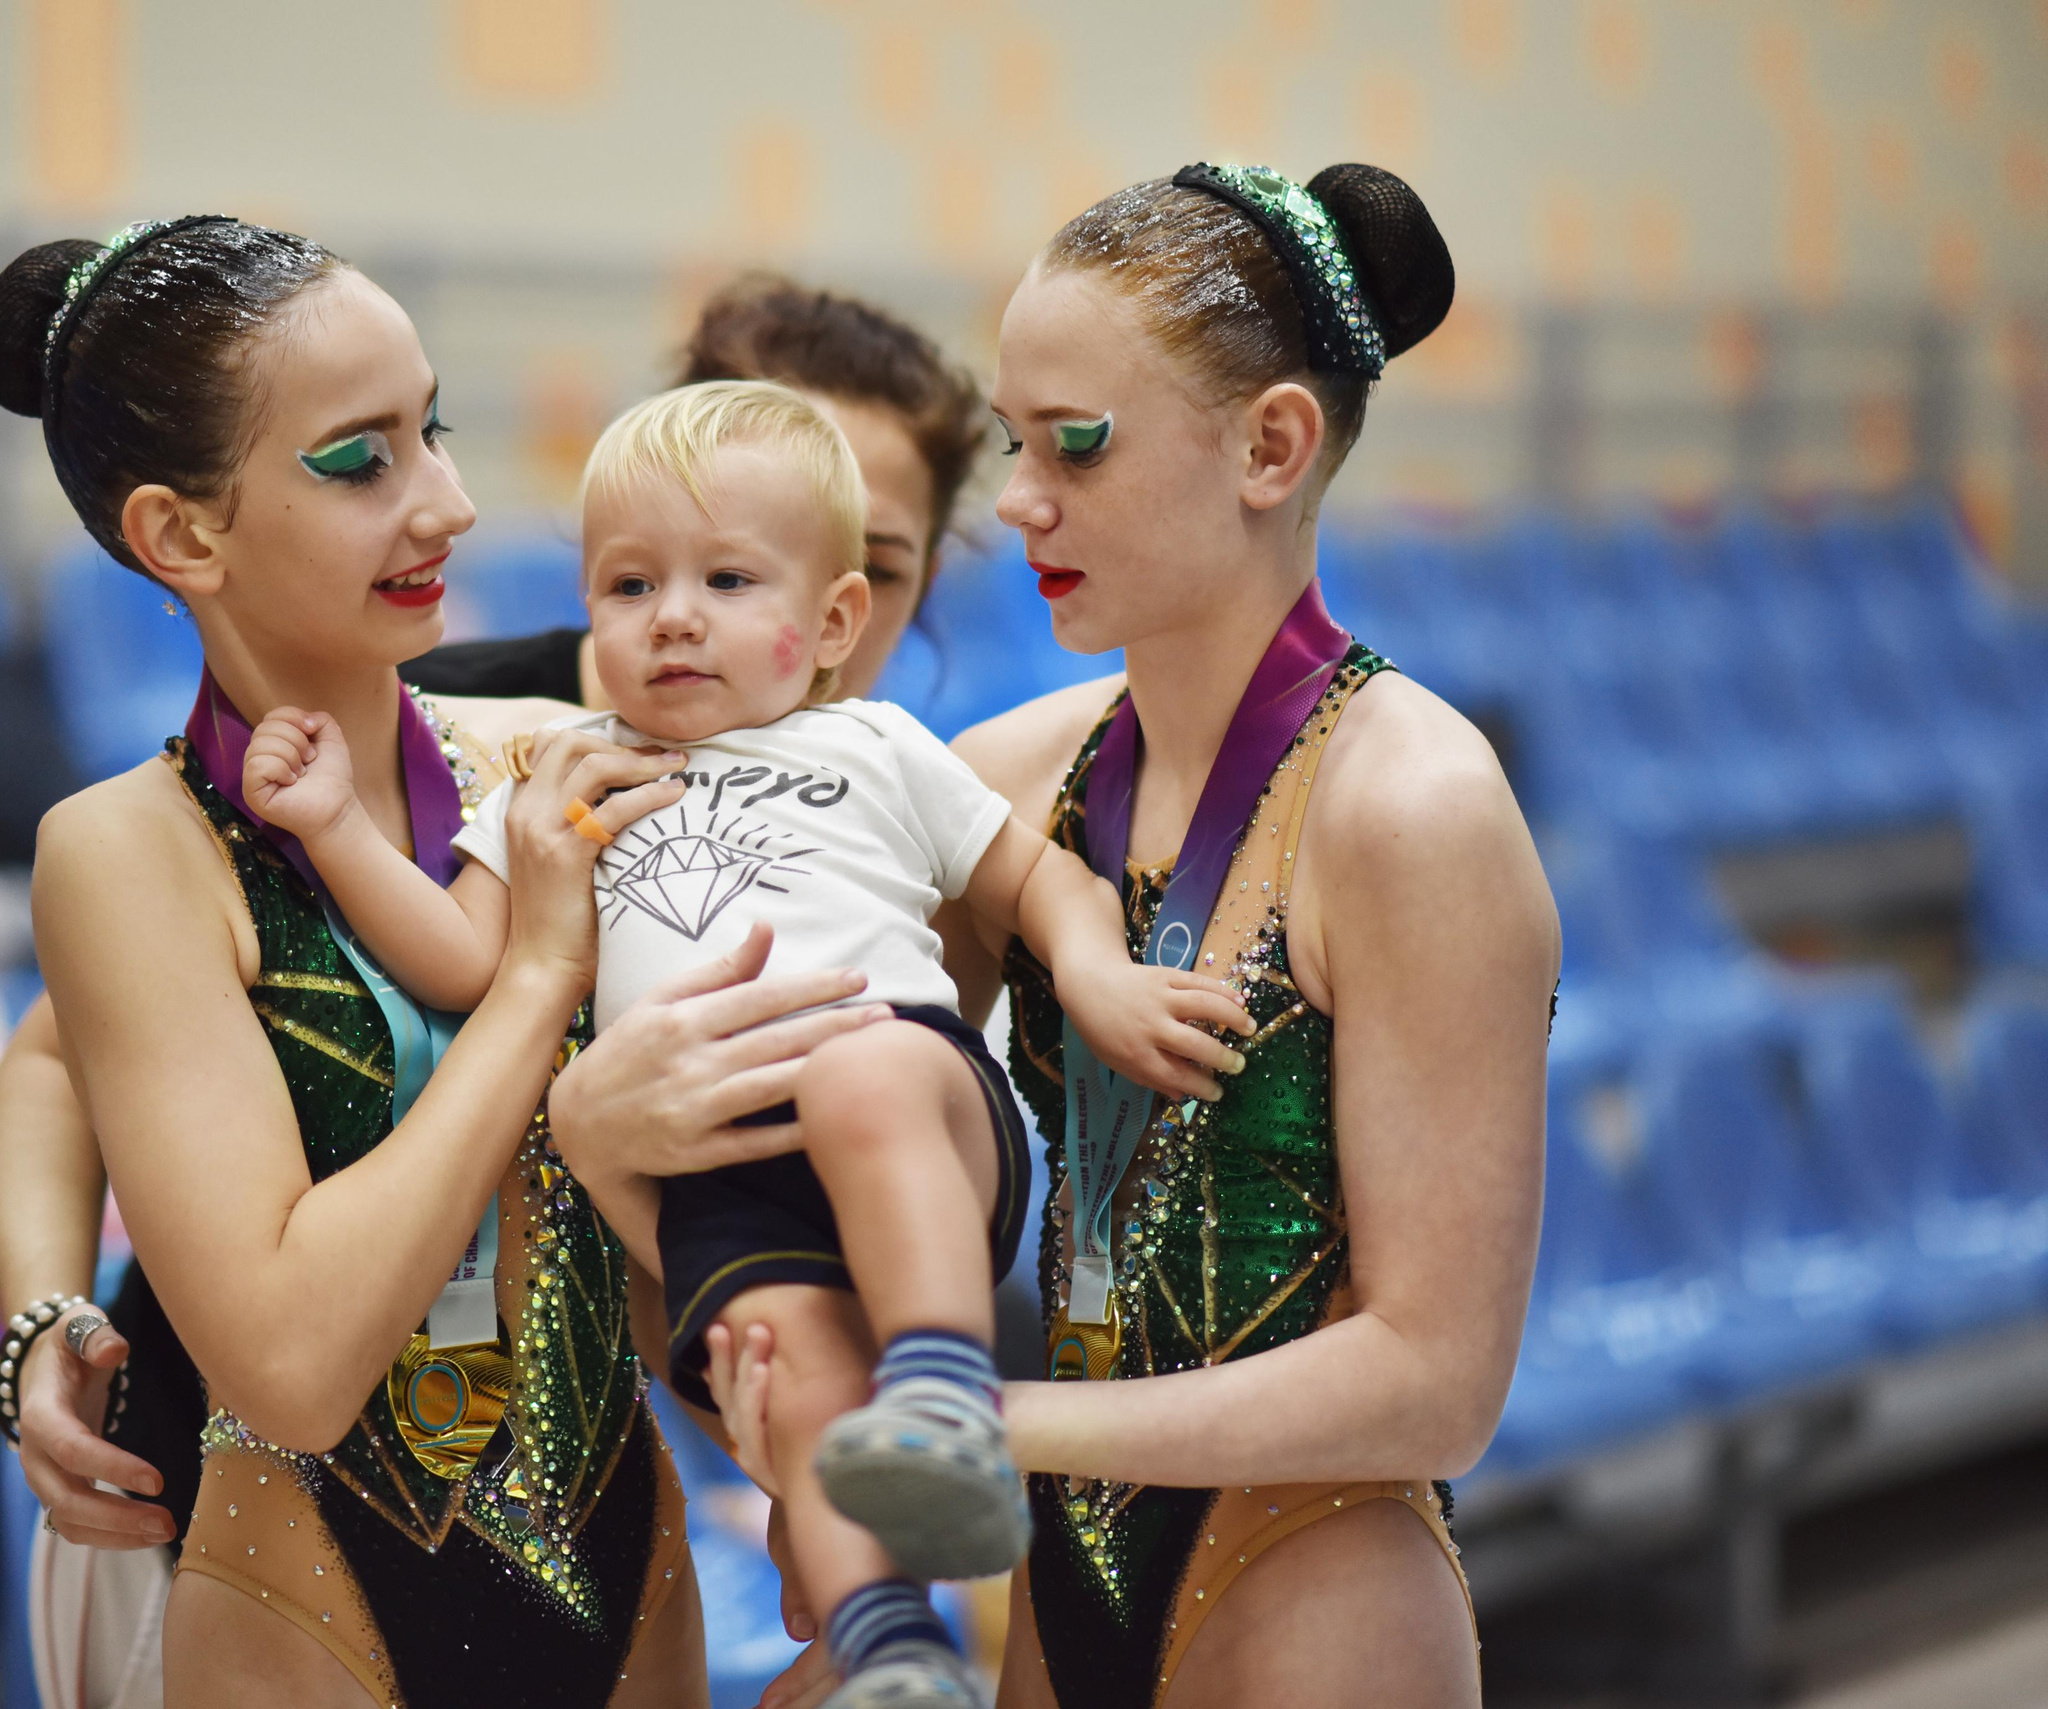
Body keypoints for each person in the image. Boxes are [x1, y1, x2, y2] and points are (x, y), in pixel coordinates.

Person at [587, 163, 1557, 1709]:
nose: (1021, 501)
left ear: (1270, 444)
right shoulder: (1001, 779)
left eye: (1077, 446)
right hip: (1057, 1572)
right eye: (1016, 444)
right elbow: (782, 1190)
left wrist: (975, 1420)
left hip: (1310, 1573)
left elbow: (1437, 1384)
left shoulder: (1413, 808)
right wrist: (608, 1149)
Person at [0, 272, 987, 1707]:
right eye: (365, 457)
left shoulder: (579, 754)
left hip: (622, 1549)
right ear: (182, 532)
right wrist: (39, 1318)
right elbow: (61, 1076)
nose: (448, 502)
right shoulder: (139, 844)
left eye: (434, 432)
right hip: (297, 1556)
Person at [243, 379, 1252, 1708]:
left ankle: (945, 1382)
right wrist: (335, 834)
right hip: (723, 1181)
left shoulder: (874, 743)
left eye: (725, 579)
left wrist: (1100, 971)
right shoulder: (567, 774)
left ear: (833, 621)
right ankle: (893, 1646)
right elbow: (459, 958)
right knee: (796, 1386)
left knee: (861, 1072)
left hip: (914, 1109)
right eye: (628, 583)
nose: (671, 615)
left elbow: (1035, 880)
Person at [402, 274, 981, 710]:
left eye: (874, 566)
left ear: (922, 587)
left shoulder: (909, 800)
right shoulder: (428, 719)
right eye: (730, 569)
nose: (818, 610)